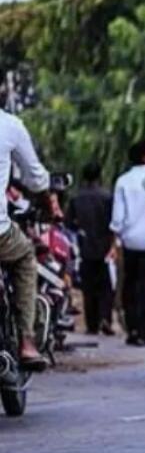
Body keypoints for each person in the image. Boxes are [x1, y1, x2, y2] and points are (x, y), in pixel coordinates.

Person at [0, 109, 51, 370]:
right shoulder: (9, 125)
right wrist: (49, 202)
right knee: (25, 256)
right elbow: (36, 176)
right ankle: (27, 341)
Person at [111, 137, 145, 346]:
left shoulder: (123, 181)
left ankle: (132, 329)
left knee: (130, 286)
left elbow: (118, 217)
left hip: (130, 241)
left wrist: (118, 236)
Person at [66, 162, 115, 336]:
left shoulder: (75, 198)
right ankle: (106, 318)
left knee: (89, 288)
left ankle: (92, 324)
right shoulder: (107, 197)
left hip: (84, 247)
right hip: (104, 247)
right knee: (105, 287)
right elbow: (113, 222)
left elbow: (69, 224)